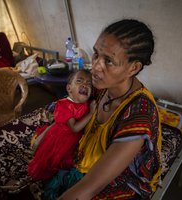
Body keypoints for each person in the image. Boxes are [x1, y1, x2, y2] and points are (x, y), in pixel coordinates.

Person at [45, 19, 162, 200]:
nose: (95, 66)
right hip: (85, 161)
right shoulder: (101, 88)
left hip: (123, 182)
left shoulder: (139, 114)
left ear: (134, 67)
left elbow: (89, 189)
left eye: (108, 60)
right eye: (96, 54)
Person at [27, 69, 96, 182]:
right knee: (52, 160)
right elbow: (74, 128)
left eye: (89, 84)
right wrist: (91, 113)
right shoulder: (65, 105)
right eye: (79, 81)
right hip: (61, 139)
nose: (85, 85)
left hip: (75, 140)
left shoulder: (87, 104)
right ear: (69, 88)